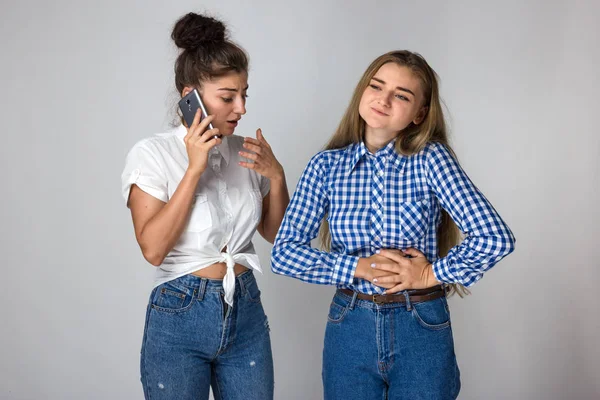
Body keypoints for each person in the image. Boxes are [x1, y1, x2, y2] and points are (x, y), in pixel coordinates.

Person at [271, 50, 515, 399]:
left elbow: (494, 237)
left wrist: (429, 274)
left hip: (420, 322)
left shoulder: (431, 159)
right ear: (362, 91)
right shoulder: (325, 167)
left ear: (420, 114)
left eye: (401, 95)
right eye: (377, 86)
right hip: (349, 323)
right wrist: (358, 267)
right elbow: (284, 254)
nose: (384, 99)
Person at [121, 12, 288, 400]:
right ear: (189, 97)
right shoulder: (152, 154)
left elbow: (278, 235)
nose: (241, 108)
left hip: (245, 306)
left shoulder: (246, 152)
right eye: (228, 97)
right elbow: (153, 248)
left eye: (245, 94)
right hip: (180, 312)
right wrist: (194, 168)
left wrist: (277, 177)